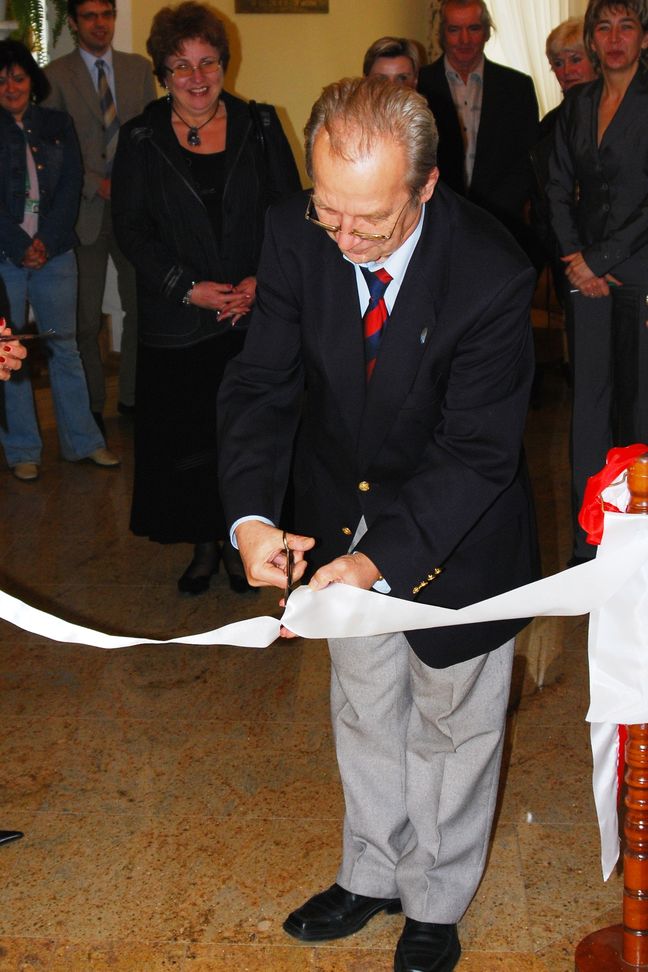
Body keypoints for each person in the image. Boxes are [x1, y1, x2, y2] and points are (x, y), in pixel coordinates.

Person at [218, 77, 538, 972]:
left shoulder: (491, 271)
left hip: (456, 531)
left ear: (426, 186)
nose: (346, 241)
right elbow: (262, 383)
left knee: (452, 721)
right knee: (363, 705)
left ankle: (434, 898)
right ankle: (371, 871)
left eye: (371, 221)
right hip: (339, 514)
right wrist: (251, 518)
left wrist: (378, 562)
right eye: (330, 212)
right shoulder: (295, 231)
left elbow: (476, 453)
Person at [111, 1, 300, 595]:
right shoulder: (139, 137)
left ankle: (250, 542)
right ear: (163, 73)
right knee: (190, 439)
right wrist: (188, 288)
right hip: (178, 321)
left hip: (252, 316)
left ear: (225, 63)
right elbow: (131, 231)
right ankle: (202, 545)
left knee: (249, 436)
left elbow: (290, 213)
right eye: (181, 65)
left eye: (208, 62)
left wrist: (260, 280)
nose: (197, 77)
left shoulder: (261, 125)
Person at [547, 0, 648, 565]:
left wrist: (601, 257)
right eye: (603, 28)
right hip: (584, 278)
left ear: (644, 38)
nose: (613, 38)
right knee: (588, 413)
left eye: (626, 26)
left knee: (640, 412)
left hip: (640, 273)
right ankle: (588, 550)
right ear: (591, 39)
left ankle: (640, 549)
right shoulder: (578, 103)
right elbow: (556, 186)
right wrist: (575, 258)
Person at [0, 40, 119, 482]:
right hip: (4, 255)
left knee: (65, 347)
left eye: (18, 77)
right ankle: (22, 450)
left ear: (32, 81)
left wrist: (45, 242)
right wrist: (20, 244)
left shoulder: (56, 122)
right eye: (1, 80)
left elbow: (71, 186)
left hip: (56, 253)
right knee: (10, 353)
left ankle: (83, 442)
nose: (10, 87)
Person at [44, 0, 157, 429]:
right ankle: (91, 407)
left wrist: (131, 185)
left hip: (133, 211)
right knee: (85, 320)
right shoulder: (56, 76)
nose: (100, 24)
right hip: (84, 211)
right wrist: (95, 183)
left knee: (140, 310)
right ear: (74, 23)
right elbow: (52, 149)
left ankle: (133, 399)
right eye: (89, 16)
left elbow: (149, 136)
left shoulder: (138, 69)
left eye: (106, 15)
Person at [417, 0, 539, 260]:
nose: (464, 39)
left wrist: (498, 212)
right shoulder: (420, 84)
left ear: (486, 32)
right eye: (454, 29)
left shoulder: (518, 87)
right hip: (433, 224)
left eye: (473, 28)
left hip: (502, 226)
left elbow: (527, 159)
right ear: (442, 34)